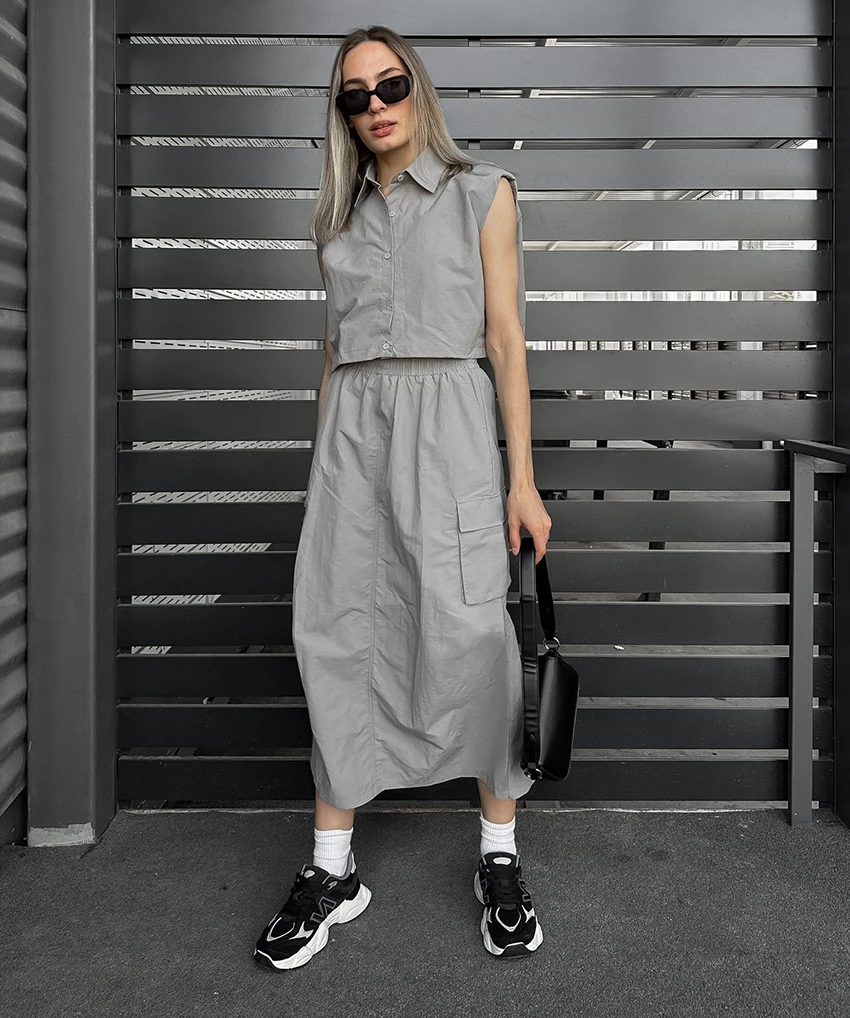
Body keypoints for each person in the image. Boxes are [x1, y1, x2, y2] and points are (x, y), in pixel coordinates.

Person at [254, 25, 551, 971]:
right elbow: (332, 355)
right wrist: (322, 476)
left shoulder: (481, 192)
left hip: (449, 434)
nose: (375, 105)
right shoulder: (334, 220)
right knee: (337, 635)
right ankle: (331, 870)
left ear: (416, 88)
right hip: (352, 445)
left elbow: (504, 341)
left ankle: (498, 856)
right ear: (341, 114)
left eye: (389, 85)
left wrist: (523, 481)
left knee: (475, 638)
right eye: (354, 95)